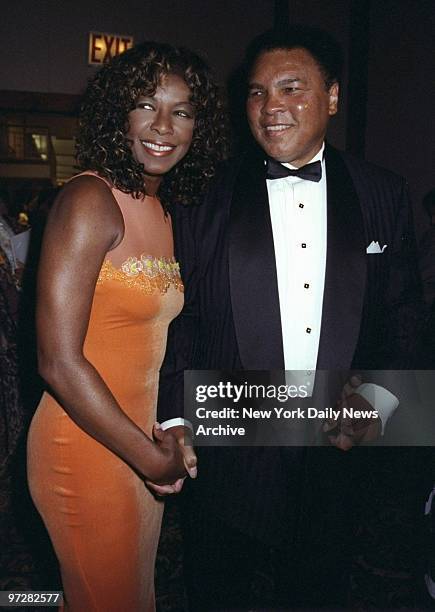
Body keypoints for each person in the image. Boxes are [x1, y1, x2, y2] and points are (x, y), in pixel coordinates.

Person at [157, 25, 428, 609]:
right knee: (217, 591)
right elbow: (181, 319)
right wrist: (174, 419)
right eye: (257, 93)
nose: (271, 107)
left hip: (336, 447)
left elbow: (404, 313)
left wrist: (379, 399)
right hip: (228, 444)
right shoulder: (202, 194)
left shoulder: (383, 192)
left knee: (317, 590)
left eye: (291, 88)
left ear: (332, 97)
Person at [27, 41, 227, 612]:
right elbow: (57, 360)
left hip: (137, 442)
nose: (163, 126)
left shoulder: (163, 210)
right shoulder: (90, 199)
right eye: (146, 104)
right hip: (86, 447)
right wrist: (147, 457)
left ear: (198, 125)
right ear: (119, 113)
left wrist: (168, 435)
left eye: (183, 111)